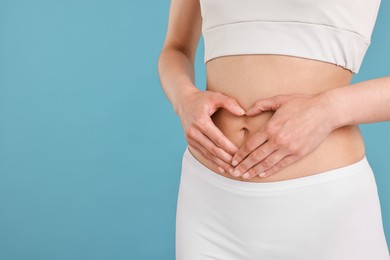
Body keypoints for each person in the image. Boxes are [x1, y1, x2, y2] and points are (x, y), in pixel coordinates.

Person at [157, 0, 390, 259]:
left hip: (323, 206)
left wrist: (328, 110)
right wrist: (184, 99)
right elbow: (175, 47)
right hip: (208, 203)